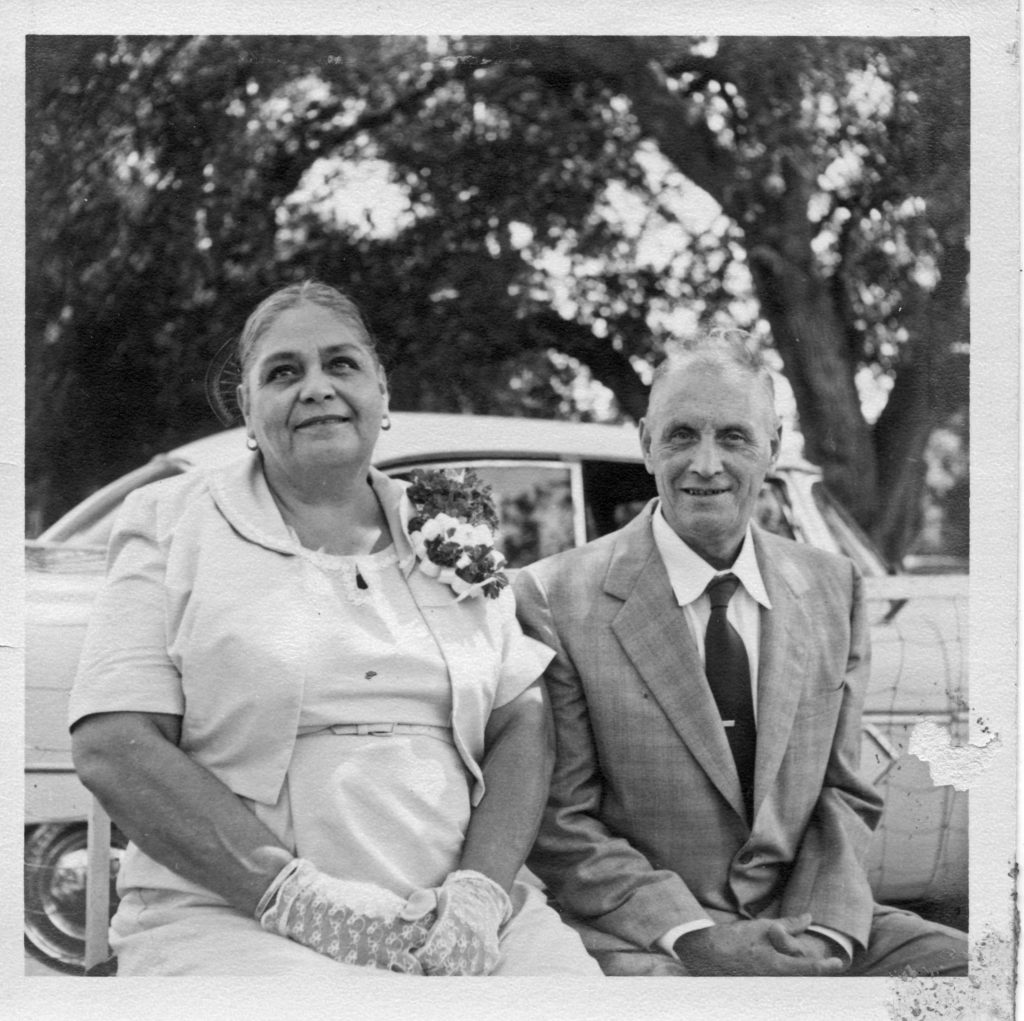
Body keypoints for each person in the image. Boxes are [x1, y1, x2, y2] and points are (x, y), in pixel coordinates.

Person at [69, 280, 600, 977]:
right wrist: (295, 898)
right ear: (247, 411)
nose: (317, 387)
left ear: (381, 391)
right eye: (284, 372)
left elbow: (521, 723)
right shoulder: (174, 521)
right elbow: (113, 745)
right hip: (235, 919)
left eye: (341, 364)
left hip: (457, 917)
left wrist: (480, 895)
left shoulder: (450, 523)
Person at [514, 330, 969, 977]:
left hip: (804, 918)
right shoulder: (554, 596)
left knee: (981, 979)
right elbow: (564, 822)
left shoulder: (833, 586)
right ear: (645, 442)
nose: (705, 464)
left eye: (732, 436)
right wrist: (696, 935)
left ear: (774, 446)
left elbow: (843, 793)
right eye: (681, 435)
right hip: (647, 939)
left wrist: (828, 936)